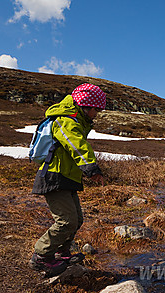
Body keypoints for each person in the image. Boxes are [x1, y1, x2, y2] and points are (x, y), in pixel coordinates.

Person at [29, 83, 106, 276]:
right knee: (66, 221)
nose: (97, 113)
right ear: (85, 105)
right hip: (54, 176)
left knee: (76, 219)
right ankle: (41, 256)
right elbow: (75, 144)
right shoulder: (65, 121)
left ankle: (60, 252)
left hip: (67, 177)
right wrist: (91, 168)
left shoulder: (76, 121)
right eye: (96, 109)